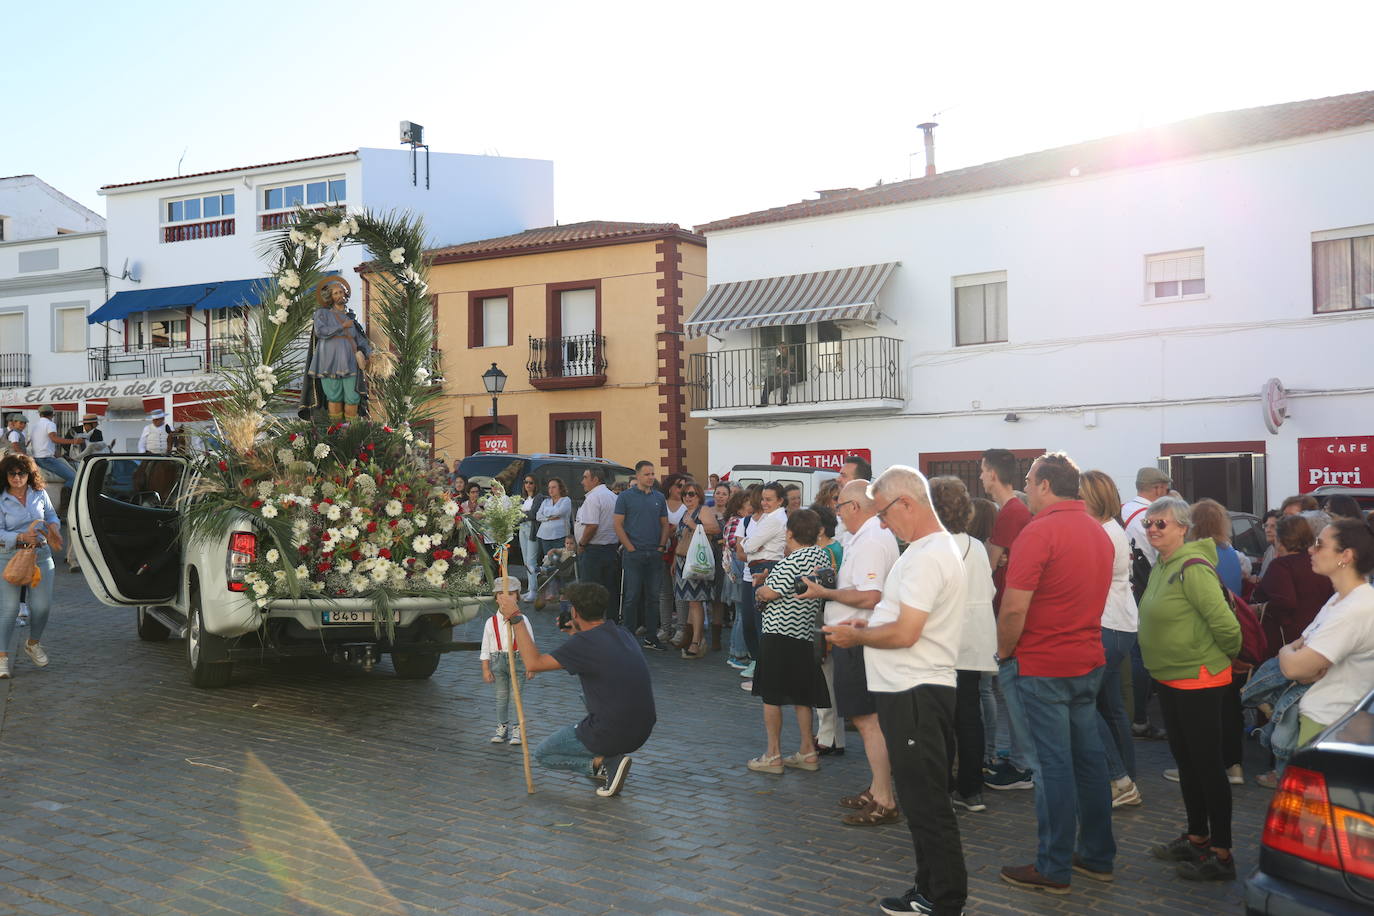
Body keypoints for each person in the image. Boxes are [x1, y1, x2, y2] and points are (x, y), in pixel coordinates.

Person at [824, 466, 969, 916]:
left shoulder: (928, 554)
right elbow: (904, 619)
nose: (883, 524)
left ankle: (944, 899)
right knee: (921, 800)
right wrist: (868, 625)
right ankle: (928, 890)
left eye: (884, 513)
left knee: (927, 803)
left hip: (915, 689)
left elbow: (907, 632)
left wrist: (859, 636)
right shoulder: (926, 549)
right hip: (910, 688)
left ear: (907, 502)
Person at [997, 452, 1117, 894]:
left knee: (1052, 768)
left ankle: (1053, 866)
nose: (1026, 489)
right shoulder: (1098, 531)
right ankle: (1097, 856)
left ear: (1045, 485)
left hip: (1042, 664)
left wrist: (1003, 652)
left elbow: (1014, 607)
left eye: (1029, 482)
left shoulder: (1039, 531)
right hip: (1086, 661)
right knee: (1088, 763)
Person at [1137, 496, 1242, 882]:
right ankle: (1198, 837)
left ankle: (1222, 854)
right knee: (1187, 762)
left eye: (1161, 523)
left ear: (1183, 527)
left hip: (1198, 679)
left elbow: (1226, 626)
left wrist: (1223, 657)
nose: (1152, 529)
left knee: (1208, 766)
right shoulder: (1163, 565)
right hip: (1170, 678)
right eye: (1149, 523)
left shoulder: (1192, 568)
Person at [800, 479, 901, 824]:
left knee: (867, 719)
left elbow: (871, 595)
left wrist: (825, 593)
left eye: (840, 506)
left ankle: (885, 798)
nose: (837, 513)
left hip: (860, 637)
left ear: (855, 506)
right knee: (867, 718)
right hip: (858, 636)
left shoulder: (871, 539)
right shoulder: (865, 536)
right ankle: (877, 788)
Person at [494, 583, 656, 797]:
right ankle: (608, 756)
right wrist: (575, 633)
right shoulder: (623, 633)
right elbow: (595, 655)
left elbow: (533, 663)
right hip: (643, 728)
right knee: (589, 693)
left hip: (613, 732)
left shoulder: (583, 644)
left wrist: (516, 618)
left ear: (575, 612)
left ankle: (604, 762)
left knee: (544, 754)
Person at [928, 476, 998, 814]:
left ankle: (942, 787)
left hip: (940, 643)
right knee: (969, 716)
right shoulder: (977, 547)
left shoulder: (930, 548)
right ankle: (972, 790)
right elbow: (989, 591)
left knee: (939, 720)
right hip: (972, 642)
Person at [747, 509, 833, 774]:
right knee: (802, 696)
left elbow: (770, 594)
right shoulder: (821, 556)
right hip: (804, 634)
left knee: (771, 696)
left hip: (778, 635)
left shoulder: (790, 561)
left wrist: (761, 587)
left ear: (790, 533)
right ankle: (808, 751)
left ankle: (773, 754)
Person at [1079, 470, 1143, 808]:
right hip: (1121, 624)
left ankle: (1120, 779)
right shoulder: (1113, 529)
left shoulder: (1100, 533)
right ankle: (1126, 777)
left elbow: (1087, 581)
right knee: (1111, 706)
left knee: (1082, 703)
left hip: (1106, 625)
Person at [1279, 518, 1374, 745]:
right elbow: (1302, 652)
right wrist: (1296, 656)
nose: (1311, 550)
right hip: (1326, 719)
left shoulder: (1355, 609)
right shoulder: (1339, 599)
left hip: (1332, 725)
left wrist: (1285, 651)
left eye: (1319, 544)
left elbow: (1294, 667)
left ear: (1346, 556)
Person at [979, 448, 1036, 792]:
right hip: (1005, 605)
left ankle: (1021, 765)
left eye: (982, 470)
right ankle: (1019, 757)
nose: (981, 476)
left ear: (993, 474)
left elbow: (988, 563)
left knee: (1014, 693)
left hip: (1007, 610)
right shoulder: (1012, 510)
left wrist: (993, 553)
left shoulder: (1011, 512)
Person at [0, 454, 62, 679]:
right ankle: (2, 658)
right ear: (5, 475)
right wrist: (19, 537)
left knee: (42, 607)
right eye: (12, 473)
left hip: (41, 555)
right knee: (9, 609)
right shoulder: (1, 498)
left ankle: (33, 643)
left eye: (22, 473)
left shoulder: (39, 493)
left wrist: (54, 528)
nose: (17, 477)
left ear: (29, 474)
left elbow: (52, 516)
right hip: (9, 557)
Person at [1122, 467, 1173, 741]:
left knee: (1131, 654)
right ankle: (1140, 717)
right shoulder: (1153, 517)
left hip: (1124, 589)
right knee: (1142, 656)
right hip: (1147, 589)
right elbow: (1163, 556)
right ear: (1157, 488)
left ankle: (1131, 714)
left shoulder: (1122, 511)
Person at [614, 461, 671, 651]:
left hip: (654, 553)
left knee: (653, 598)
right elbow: (617, 524)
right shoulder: (625, 497)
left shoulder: (659, 497)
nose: (651, 477)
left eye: (652, 473)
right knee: (632, 597)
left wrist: (661, 546)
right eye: (647, 474)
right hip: (634, 554)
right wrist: (630, 548)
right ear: (637, 476)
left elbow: (665, 524)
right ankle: (628, 638)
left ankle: (651, 637)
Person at [1255, 515, 1332, 654]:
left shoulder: (1281, 566)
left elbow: (1285, 602)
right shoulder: (1318, 561)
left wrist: (1260, 608)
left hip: (1288, 641)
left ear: (1280, 540)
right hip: (1319, 636)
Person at [739, 483, 789, 685]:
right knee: (759, 623)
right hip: (761, 567)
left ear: (780, 501)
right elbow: (749, 545)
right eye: (763, 499)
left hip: (765, 568)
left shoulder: (775, 519)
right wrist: (750, 544)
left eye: (769, 499)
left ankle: (764, 677)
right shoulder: (772, 517)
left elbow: (748, 545)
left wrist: (748, 543)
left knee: (762, 624)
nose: (764, 503)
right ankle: (763, 673)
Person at [306, 276, 373, 421]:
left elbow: (360, 338)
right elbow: (321, 331)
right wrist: (342, 326)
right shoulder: (322, 314)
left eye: (341, 292)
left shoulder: (351, 316)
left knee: (353, 397)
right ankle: (336, 429)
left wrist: (370, 353)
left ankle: (351, 430)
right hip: (329, 361)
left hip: (350, 360)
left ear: (346, 294)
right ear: (330, 297)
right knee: (333, 396)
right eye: (335, 293)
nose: (339, 295)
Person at [672, 482, 719, 659]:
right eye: (684, 494)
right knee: (689, 602)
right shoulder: (686, 512)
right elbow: (681, 539)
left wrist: (694, 525)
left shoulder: (702, 510)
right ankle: (691, 637)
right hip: (682, 562)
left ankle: (697, 641)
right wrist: (674, 562)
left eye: (691, 494)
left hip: (697, 562)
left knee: (695, 602)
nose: (687, 497)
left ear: (699, 495)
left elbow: (715, 529)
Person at [480, 607, 535, 744]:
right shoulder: (491, 621)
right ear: (496, 600)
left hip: (518, 660)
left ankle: (517, 729)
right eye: (501, 597)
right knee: (501, 696)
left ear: (517, 598)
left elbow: (530, 642)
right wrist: (485, 668)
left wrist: (531, 665)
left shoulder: (523, 619)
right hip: (498, 660)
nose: (505, 600)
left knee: (516, 696)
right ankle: (502, 727)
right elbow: (485, 646)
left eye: (511, 596)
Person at [572, 467, 621, 618]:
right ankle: (611, 622)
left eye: (585, 477)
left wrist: (582, 544)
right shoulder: (613, 496)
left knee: (590, 592)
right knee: (610, 591)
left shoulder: (593, 498)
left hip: (594, 551)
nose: (582, 482)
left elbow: (592, 526)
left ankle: (591, 623)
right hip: (611, 549)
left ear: (595, 479)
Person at [535, 478, 572, 596]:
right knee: (548, 563)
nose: (551, 490)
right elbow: (538, 516)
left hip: (560, 536)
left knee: (560, 564)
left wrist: (547, 513)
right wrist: (549, 517)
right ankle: (551, 591)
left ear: (560, 488)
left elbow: (560, 512)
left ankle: (562, 592)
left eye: (554, 487)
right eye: (549, 487)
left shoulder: (566, 500)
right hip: (545, 536)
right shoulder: (546, 501)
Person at [31, 406, 79, 490]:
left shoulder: (35, 425)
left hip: (37, 458)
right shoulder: (50, 424)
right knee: (74, 478)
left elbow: (45, 443)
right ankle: (65, 497)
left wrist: (59, 455)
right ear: (52, 415)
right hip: (47, 459)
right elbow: (54, 438)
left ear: (40, 414)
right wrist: (74, 441)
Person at [517, 475, 543, 602]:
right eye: (526, 482)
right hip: (522, 530)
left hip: (532, 531)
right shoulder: (523, 498)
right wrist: (523, 516)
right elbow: (516, 514)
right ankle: (529, 589)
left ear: (535, 484)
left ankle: (534, 591)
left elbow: (533, 514)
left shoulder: (539, 497)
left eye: (531, 482)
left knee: (531, 561)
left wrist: (522, 515)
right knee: (526, 562)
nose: (528, 485)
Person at [758, 341, 792, 407]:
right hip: (781, 376)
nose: (781, 351)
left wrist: (781, 370)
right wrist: (782, 370)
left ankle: (783, 401)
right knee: (768, 379)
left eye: (783, 348)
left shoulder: (791, 356)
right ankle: (764, 402)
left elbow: (789, 369)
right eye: (779, 349)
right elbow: (776, 372)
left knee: (784, 378)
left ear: (787, 348)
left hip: (792, 376)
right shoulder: (778, 358)